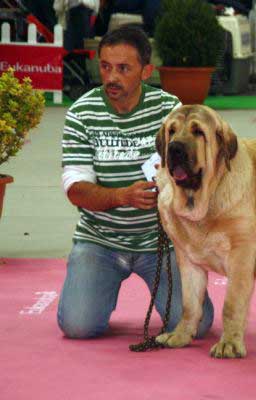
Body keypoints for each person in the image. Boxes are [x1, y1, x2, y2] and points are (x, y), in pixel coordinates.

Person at [57, 24, 214, 339]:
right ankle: (101, 286)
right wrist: (121, 197)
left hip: (163, 242)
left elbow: (198, 173)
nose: (111, 77)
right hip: (99, 241)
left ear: (146, 71)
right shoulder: (81, 113)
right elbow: (75, 189)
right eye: (105, 67)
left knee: (197, 326)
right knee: (78, 326)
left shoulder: (170, 110)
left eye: (123, 68)